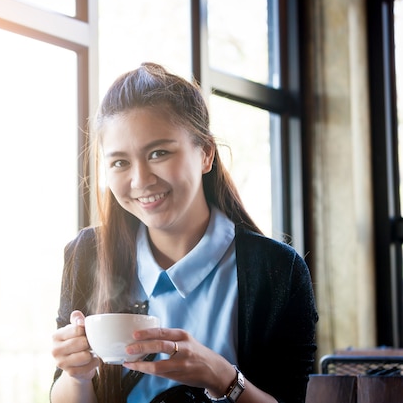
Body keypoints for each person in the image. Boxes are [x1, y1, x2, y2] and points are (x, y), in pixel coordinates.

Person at [50, 62, 318, 403]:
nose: (140, 180)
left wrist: (222, 377)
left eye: (159, 153)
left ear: (205, 153)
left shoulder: (277, 271)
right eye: (120, 162)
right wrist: (77, 376)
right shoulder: (86, 254)